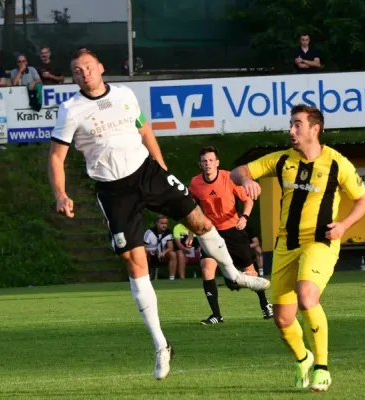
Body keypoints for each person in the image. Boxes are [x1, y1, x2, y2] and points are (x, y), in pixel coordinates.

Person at [47, 48, 270, 381]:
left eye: (89, 67)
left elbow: (145, 131)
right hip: (114, 191)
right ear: (74, 76)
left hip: (147, 173)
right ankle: (161, 346)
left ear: (101, 68)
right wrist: (61, 194)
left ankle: (234, 275)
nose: (84, 74)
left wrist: (162, 168)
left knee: (200, 220)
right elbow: (55, 157)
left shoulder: (124, 94)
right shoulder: (70, 110)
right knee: (135, 264)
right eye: (77, 71)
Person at [230, 104, 365, 392]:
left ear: (315, 128)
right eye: (291, 124)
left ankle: (322, 368)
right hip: (285, 245)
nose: (291, 130)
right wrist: (246, 180)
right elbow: (239, 171)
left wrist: (344, 225)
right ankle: (303, 359)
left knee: (307, 297)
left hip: (320, 241)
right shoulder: (282, 160)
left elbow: (364, 200)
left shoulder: (336, 163)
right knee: (282, 319)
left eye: (297, 124)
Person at [189, 146, 273, 324]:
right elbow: (192, 210)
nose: (208, 164)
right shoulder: (195, 183)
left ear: (217, 163)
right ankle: (216, 315)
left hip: (233, 230)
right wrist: (191, 233)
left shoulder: (229, 178)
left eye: (211, 160)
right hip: (210, 233)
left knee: (249, 271)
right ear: (200, 164)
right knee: (206, 270)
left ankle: (265, 305)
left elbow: (248, 199)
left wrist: (245, 216)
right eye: (204, 161)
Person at [144, 215, 178, 280]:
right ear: (157, 223)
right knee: (144, 254)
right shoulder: (149, 232)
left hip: (162, 256)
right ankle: (145, 277)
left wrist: (164, 253)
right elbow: (143, 247)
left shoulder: (168, 233)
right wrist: (149, 251)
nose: (164, 225)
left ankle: (171, 278)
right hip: (150, 256)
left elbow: (170, 248)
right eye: (162, 223)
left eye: (166, 223)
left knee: (173, 254)